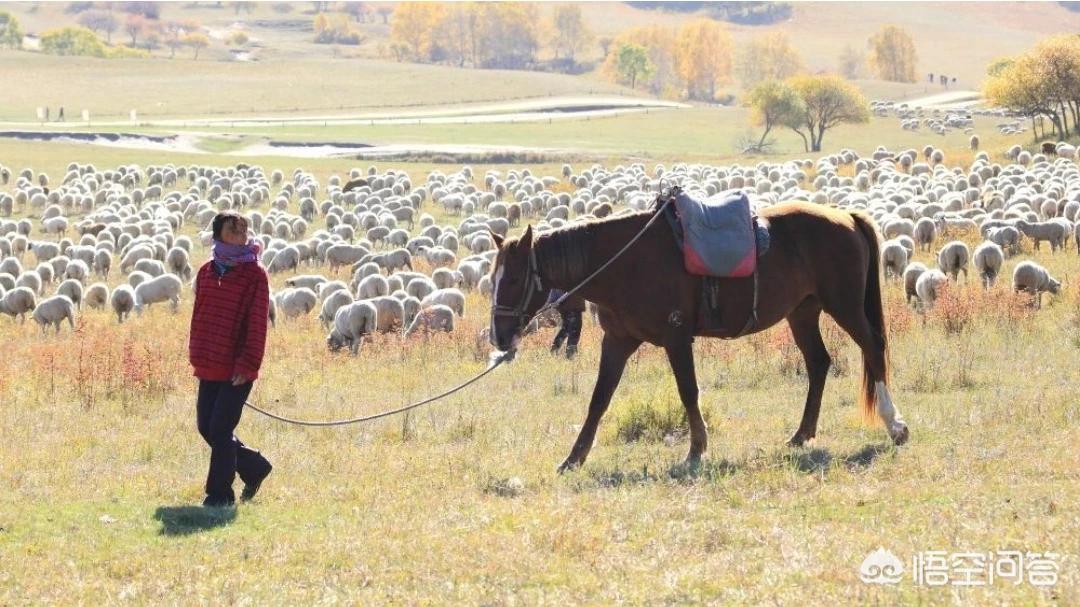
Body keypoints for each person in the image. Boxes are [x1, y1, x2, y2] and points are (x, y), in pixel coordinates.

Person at [188, 211, 272, 508]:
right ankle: (254, 467)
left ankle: (219, 494)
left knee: (221, 428)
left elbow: (257, 322)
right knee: (206, 426)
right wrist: (196, 351)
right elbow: (199, 315)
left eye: (243, 232)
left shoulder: (255, 274)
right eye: (233, 231)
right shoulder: (206, 272)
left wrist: (248, 364)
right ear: (218, 235)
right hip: (210, 359)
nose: (240, 237)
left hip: (237, 366)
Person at [547, 289, 585, 359]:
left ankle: (554, 349)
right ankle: (570, 355)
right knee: (574, 330)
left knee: (566, 329)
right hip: (572, 304)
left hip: (565, 305)